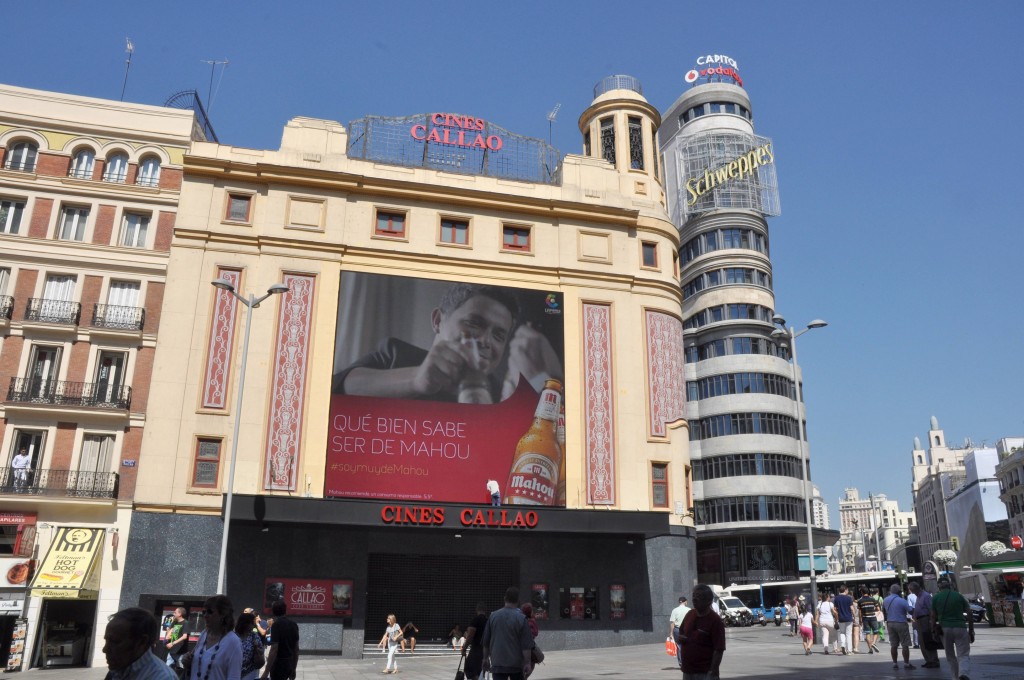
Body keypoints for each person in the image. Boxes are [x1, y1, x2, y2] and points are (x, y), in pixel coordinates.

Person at [103, 607, 178, 680]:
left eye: (115, 641)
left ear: (142, 642)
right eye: (107, 641)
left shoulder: (163, 677)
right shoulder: (119, 668)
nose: (105, 649)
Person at [181, 595, 242, 680]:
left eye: (210, 612)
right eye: (204, 612)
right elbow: (195, 662)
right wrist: (187, 661)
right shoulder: (203, 634)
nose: (205, 615)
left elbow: (234, 677)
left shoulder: (233, 642)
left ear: (223, 614)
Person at [482, 586, 534, 680]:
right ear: (518, 600)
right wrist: (527, 663)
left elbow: (486, 642)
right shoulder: (522, 619)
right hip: (516, 666)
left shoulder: (493, 616)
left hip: (498, 665)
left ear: (504, 598)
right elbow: (526, 646)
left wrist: (485, 659)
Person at [678, 584, 725, 679]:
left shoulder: (715, 620)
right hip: (687, 671)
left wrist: (712, 671)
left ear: (709, 601)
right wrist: (681, 638)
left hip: (705, 672)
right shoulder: (690, 614)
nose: (694, 599)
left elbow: (719, 649)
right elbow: (681, 632)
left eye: (699, 596)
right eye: (693, 596)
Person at [931, 576, 974, 680]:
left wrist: (933, 630)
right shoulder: (959, 596)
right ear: (950, 585)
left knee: (950, 655)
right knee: (963, 653)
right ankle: (963, 673)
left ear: (939, 586)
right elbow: (969, 613)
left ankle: (955, 677)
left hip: (945, 628)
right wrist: (971, 630)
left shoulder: (936, 598)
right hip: (960, 627)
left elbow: (932, 616)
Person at [262, 600, 299, 680]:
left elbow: (274, 649)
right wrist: (294, 668)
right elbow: (296, 649)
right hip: (289, 662)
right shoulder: (294, 625)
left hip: (278, 664)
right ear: (285, 610)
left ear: (273, 612)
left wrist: (266, 672)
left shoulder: (276, 625)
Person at [882, 584, 915, 670]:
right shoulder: (902, 600)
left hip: (890, 623)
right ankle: (906, 663)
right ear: (899, 592)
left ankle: (894, 663)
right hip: (901, 623)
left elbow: (884, 611)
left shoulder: (885, 600)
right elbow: (910, 611)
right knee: (905, 644)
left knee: (893, 645)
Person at [908, 581, 941, 669]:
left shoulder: (925, 596)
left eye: (912, 590)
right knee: (922, 641)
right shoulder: (918, 596)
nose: (911, 592)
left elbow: (931, 609)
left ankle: (933, 660)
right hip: (919, 620)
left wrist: (931, 621)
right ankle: (928, 660)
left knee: (928, 639)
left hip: (925, 619)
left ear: (916, 588)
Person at [235, 612, 265, 680]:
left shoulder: (254, 636)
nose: (253, 625)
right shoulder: (233, 635)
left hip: (249, 671)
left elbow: (261, 651)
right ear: (245, 623)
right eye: (251, 623)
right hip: (234, 670)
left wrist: (257, 648)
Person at [463, 602, 489, 680]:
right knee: (481, 671)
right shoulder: (488, 621)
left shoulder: (475, 620)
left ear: (477, 610)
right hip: (486, 651)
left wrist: (464, 648)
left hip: (475, 650)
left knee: (470, 670)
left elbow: (470, 636)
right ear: (485, 610)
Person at [856, 586, 881, 655]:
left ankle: (870, 649)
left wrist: (860, 620)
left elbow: (860, 612)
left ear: (861, 592)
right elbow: (878, 609)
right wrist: (874, 612)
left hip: (865, 618)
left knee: (867, 633)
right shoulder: (873, 599)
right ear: (868, 592)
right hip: (873, 617)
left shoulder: (860, 601)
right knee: (876, 632)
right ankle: (873, 643)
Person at [164, 608, 190, 674]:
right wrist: (168, 631)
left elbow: (185, 636)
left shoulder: (185, 623)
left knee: (180, 671)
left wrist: (172, 643)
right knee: (166, 670)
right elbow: (169, 633)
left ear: (180, 614)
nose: (173, 614)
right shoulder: (174, 622)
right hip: (172, 651)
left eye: (175, 612)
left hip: (180, 652)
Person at [668, 595, 691, 669]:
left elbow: (672, 623)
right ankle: (687, 662)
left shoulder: (675, 610)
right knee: (688, 646)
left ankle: (681, 663)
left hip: (677, 630)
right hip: (687, 630)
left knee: (679, 646)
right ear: (685, 602)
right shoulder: (689, 610)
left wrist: (671, 633)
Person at [833, 584, 856, 655]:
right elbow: (852, 609)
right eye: (847, 590)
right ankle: (849, 651)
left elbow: (834, 609)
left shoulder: (836, 598)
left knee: (842, 632)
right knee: (849, 634)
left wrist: (836, 618)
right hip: (849, 618)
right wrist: (854, 616)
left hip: (841, 618)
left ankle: (843, 644)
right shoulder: (849, 598)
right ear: (845, 590)